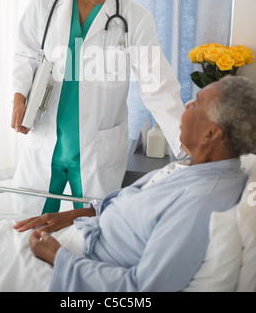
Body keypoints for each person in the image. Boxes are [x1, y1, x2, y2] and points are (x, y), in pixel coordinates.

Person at [13, 75, 256, 292]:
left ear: (212, 134)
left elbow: (142, 288)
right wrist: (79, 214)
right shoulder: (195, 170)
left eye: (197, 103)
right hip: (84, 233)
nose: (187, 105)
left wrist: (58, 257)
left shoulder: (203, 203)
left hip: (77, 263)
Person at [11, 0, 185, 214]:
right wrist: (19, 95)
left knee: (95, 230)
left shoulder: (135, 18)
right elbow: (25, 53)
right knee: (29, 229)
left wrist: (187, 147)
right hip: (46, 141)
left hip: (97, 146)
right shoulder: (44, 3)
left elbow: (158, 86)